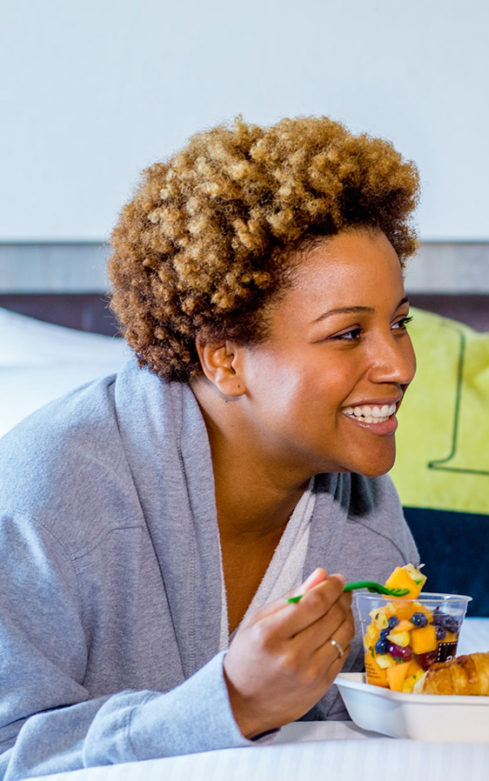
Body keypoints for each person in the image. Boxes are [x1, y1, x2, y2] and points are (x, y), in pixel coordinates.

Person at [0, 116, 422, 778]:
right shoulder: (49, 487)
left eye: (399, 323)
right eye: (347, 334)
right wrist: (229, 702)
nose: (398, 364)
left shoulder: (366, 514)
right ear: (225, 360)